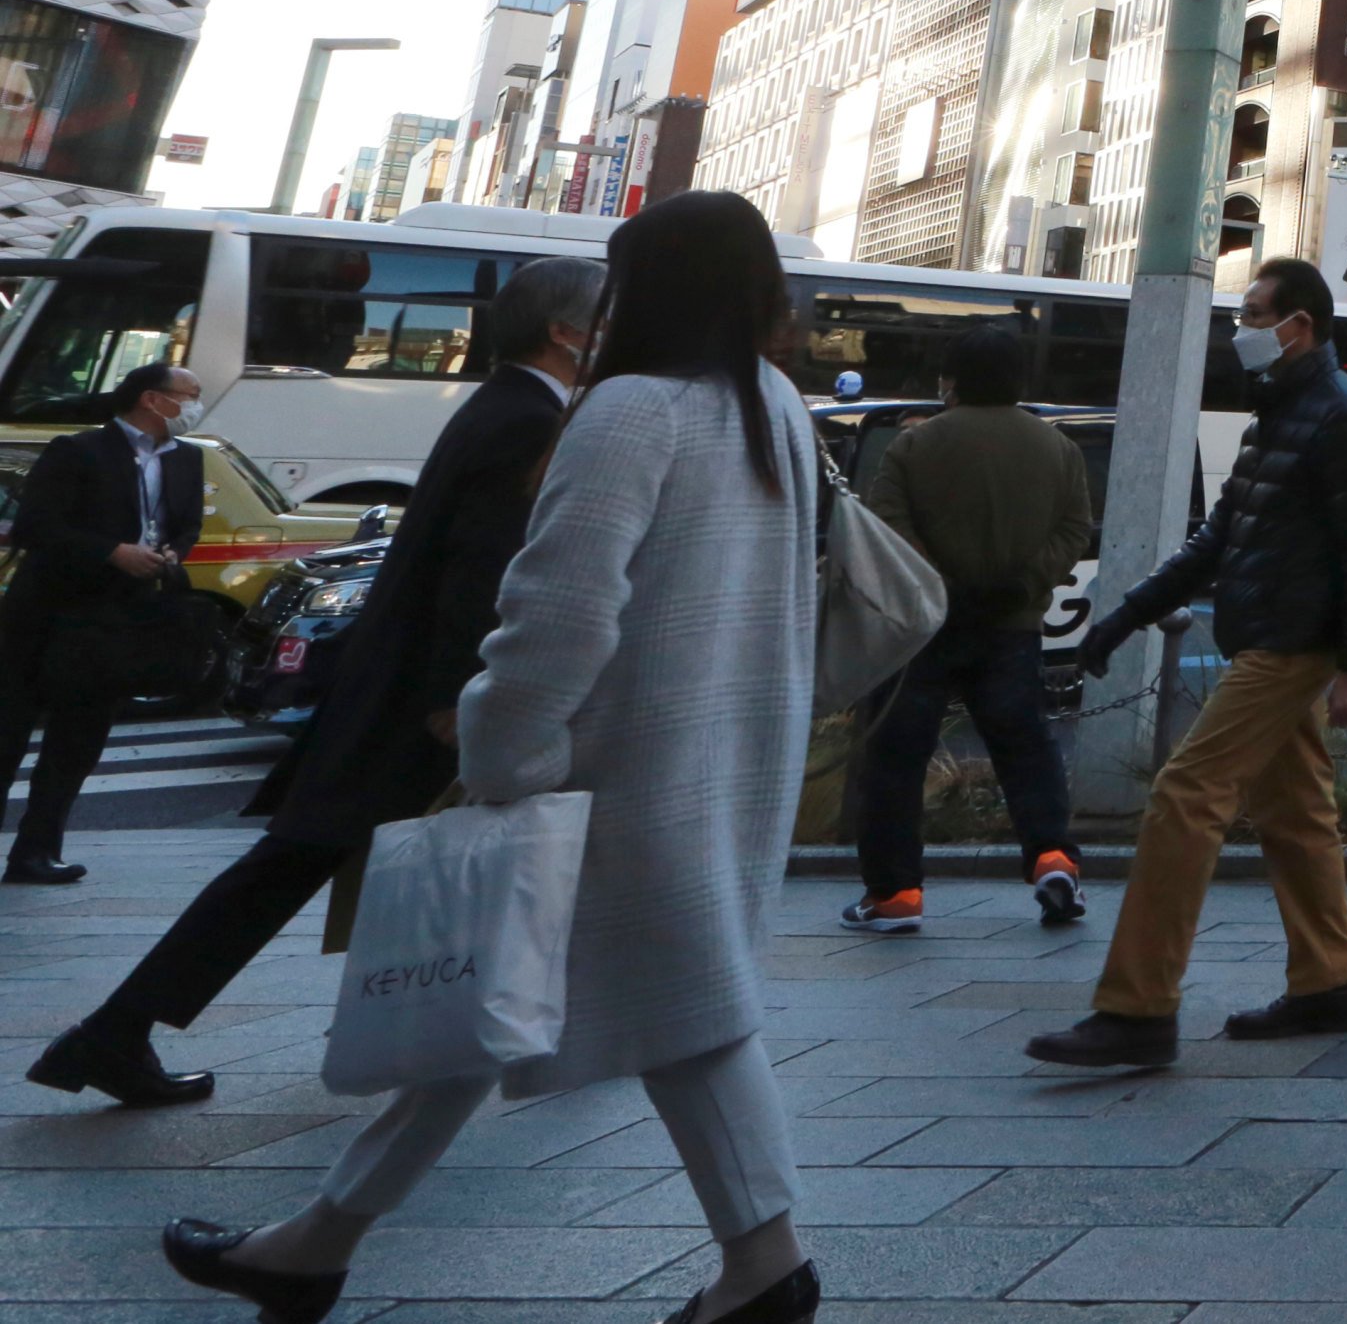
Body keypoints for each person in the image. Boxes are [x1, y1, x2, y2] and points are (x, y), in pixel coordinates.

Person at [157, 189, 820, 1324]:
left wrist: (503, 752)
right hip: (717, 760)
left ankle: (767, 1266)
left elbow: (555, 615)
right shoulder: (773, 405)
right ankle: (314, 1242)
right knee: (490, 999)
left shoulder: (630, 412)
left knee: (667, 1016)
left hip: (606, 771)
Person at [32, 260, 602, 1106]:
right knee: (302, 860)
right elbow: (474, 572)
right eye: (607, 315)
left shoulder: (508, 406)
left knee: (300, 861)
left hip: (401, 691)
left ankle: (116, 1034)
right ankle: (116, 1033)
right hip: (420, 701)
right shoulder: (525, 419)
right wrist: (457, 696)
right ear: (564, 331)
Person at [1028, 255, 1347, 1068]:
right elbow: (1217, 539)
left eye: (1256, 315)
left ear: (1299, 326)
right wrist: (1123, 616)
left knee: (1187, 794)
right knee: (1296, 814)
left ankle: (1137, 1007)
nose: (1244, 330)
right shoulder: (1278, 413)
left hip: (1295, 643)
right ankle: (1329, 984)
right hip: (1268, 634)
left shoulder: (1340, 413)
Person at [841, 325, 1097, 937]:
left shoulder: (913, 447)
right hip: (1012, 625)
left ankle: (895, 895)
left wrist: (943, 588)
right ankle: (1053, 860)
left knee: (898, 757)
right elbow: (1073, 530)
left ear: (949, 381)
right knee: (1027, 749)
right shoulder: (1057, 448)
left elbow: (888, 528)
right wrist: (1020, 584)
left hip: (924, 628)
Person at [0, 358, 206, 884]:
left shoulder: (188, 459)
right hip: (49, 614)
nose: (194, 406)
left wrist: (170, 555)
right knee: (9, 731)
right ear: (150, 399)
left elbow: (184, 525)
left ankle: (36, 850)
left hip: (119, 620)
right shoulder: (78, 450)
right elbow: (36, 526)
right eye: (188, 394)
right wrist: (111, 552)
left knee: (79, 740)